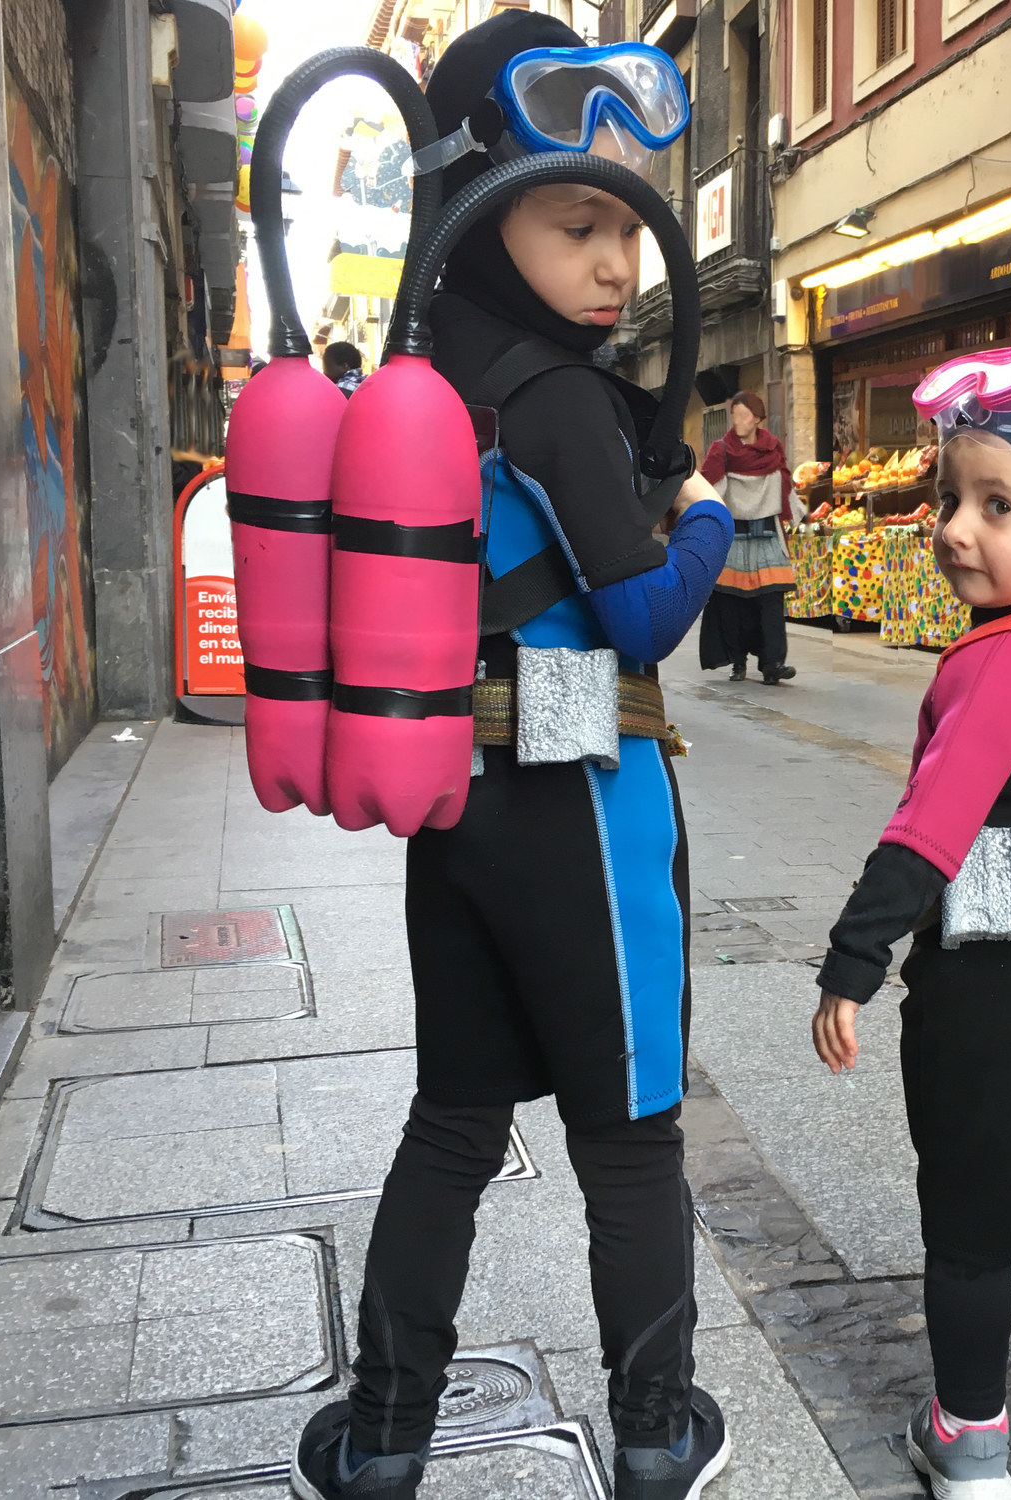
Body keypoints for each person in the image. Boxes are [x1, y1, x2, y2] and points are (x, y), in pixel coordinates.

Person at [290, 15, 734, 1500]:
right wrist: (716, 529)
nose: (618, 264)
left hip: (458, 804)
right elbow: (638, 619)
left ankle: (387, 1429)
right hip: (581, 809)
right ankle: (661, 1431)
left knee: (455, 1124)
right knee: (631, 1138)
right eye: (580, 223)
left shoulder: (434, 373)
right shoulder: (552, 393)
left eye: (624, 227)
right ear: (483, 209)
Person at [810, 347, 1011, 1500]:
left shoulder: (1004, 664)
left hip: (984, 983)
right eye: (952, 499)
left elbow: (930, 828)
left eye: (997, 505)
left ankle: (966, 1440)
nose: (956, 528)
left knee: (965, 1227)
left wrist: (851, 962)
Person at [695, 392, 796, 684]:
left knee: (771, 602)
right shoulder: (721, 450)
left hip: (766, 536)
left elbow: (784, 488)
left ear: (757, 418)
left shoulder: (773, 450)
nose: (738, 421)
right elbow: (708, 489)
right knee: (732, 604)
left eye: (744, 415)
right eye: (734, 415)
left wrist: (794, 515)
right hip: (735, 537)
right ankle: (737, 662)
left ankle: (772, 663)